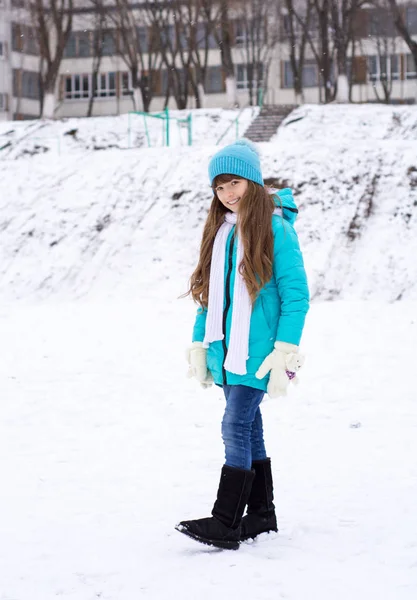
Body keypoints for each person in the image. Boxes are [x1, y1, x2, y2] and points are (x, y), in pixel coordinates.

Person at [176, 139, 309, 550]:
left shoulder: (276, 230)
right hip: (227, 351)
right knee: (249, 428)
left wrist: (284, 350)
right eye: (219, 187)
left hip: (258, 353)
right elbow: (211, 297)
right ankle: (262, 515)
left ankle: (226, 521)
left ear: (252, 181)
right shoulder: (222, 234)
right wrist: (200, 344)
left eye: (234, 182)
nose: (228, 193)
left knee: (235, 424)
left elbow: (296, 294)